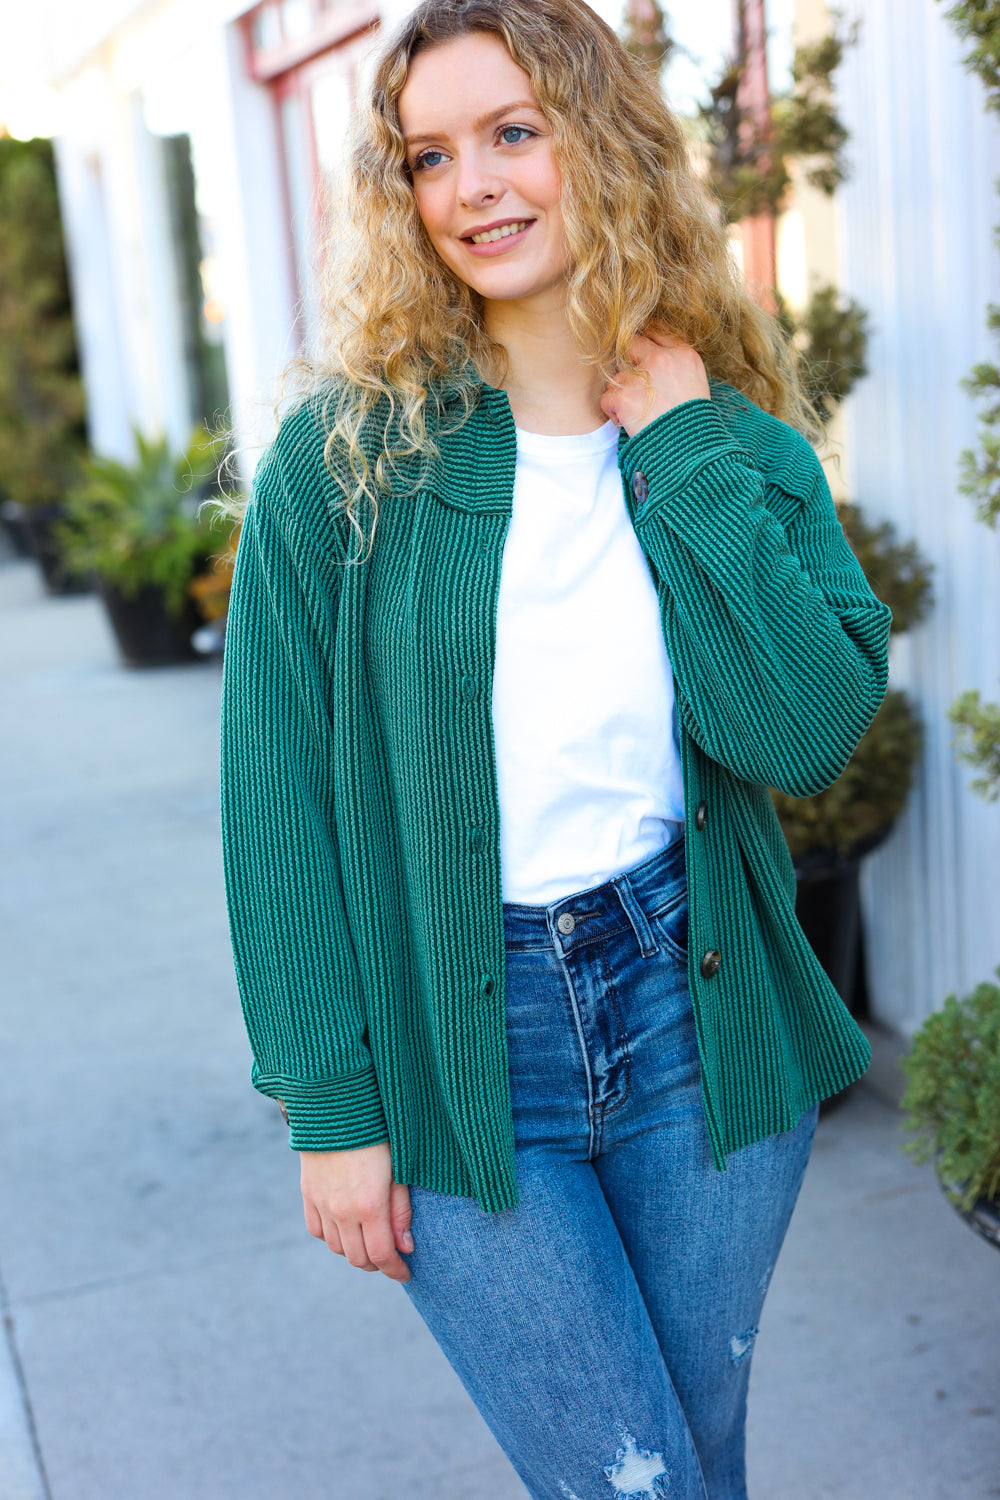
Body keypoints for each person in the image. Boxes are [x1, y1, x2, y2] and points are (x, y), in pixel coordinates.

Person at [219, 2, 892, 1496]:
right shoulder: (346, 466)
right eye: (430, 156)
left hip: (692, 1022)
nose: (475, 186)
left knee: (690, 1464)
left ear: (603, 142)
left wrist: (685, 455)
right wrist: (330, 1108)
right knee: (629, 1480)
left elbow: (800, 733)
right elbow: (277, 809)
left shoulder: (733, 445)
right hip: (467, 1050)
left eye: (515, 131)